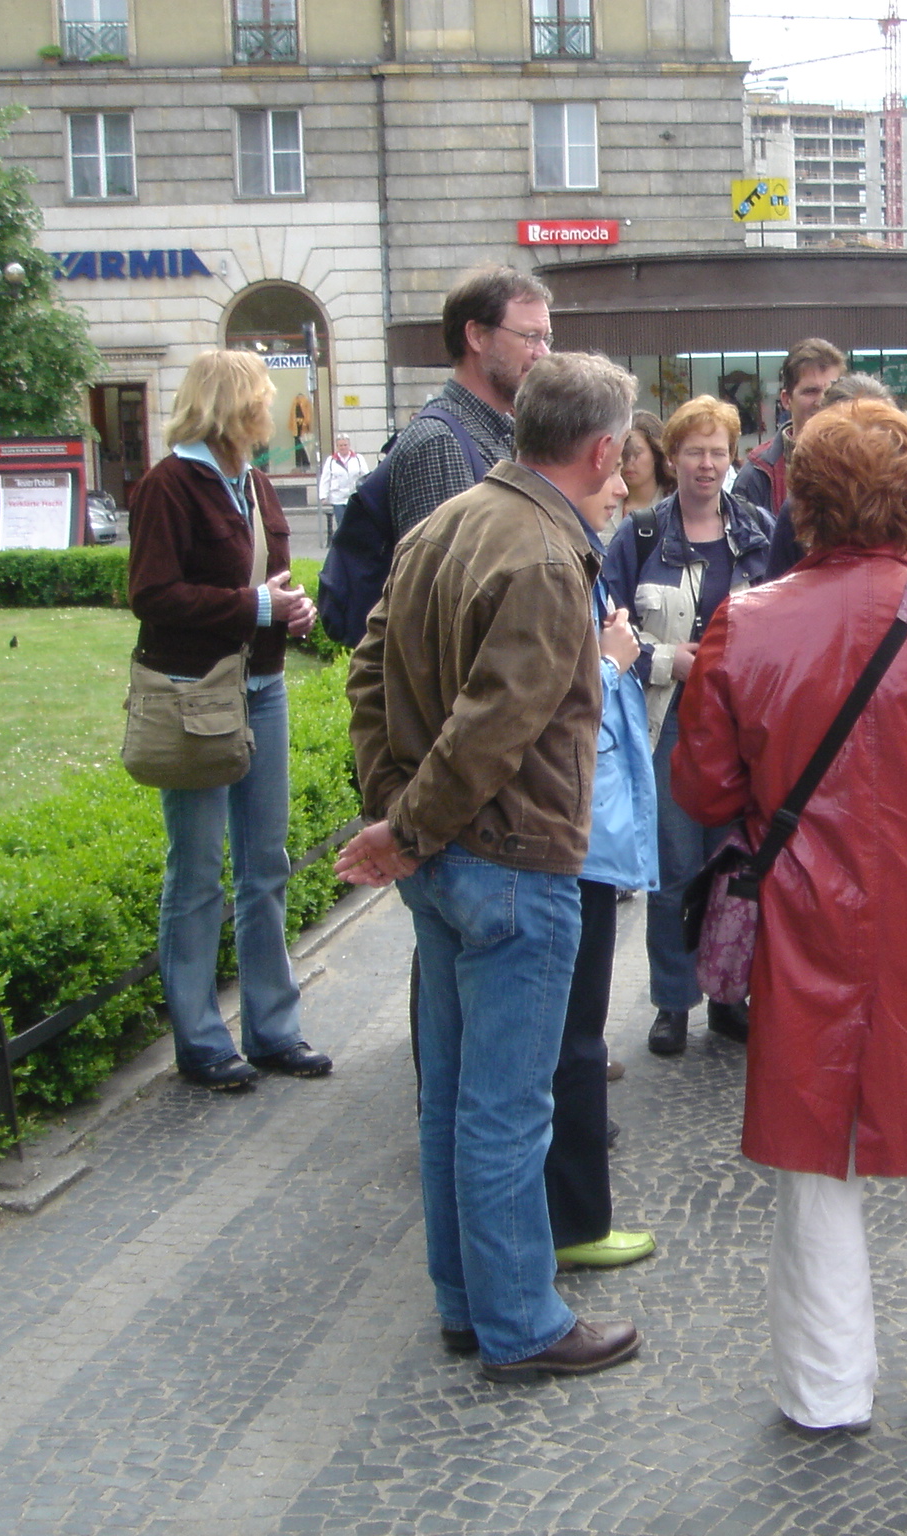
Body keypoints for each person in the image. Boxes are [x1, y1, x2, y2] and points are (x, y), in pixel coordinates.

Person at [671, 397, 907, 1433]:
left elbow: (703, 789)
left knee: (815, 1163)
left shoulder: (745, 623)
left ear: (799, 500)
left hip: (803, 920)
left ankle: (826, 1391)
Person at [339, 352, 642, 1382]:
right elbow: (491, 728)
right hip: (509, 862)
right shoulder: (547, 554)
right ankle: (519, 1323)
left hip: (448, 861)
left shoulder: (447, 522)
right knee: (505, 1110)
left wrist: (398, 816)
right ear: (600, 448)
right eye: (619, 456)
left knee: (456, 1102)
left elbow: (369, 667)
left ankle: (469, 1303)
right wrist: (405, 827)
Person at [127, 349, 332, 1093]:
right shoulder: (169, 485)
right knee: (196, 872)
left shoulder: (254, 481)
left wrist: (291, 609)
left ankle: (272, 1030)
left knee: (264, 865)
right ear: (232, 406)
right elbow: (153, 593)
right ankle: (201, 1041)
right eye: (261, 398)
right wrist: (256, 605)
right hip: (195, 694)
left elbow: (265, 583)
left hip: (263, 686)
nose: (270, 410)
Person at [598, 396, 773, 1057]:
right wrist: (670, 658)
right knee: (674, 866)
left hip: (741, 725)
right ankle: (673, 1001)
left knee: (734, 862)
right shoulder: (639, 535)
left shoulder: (759, 531)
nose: (707, 463)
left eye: (718, 452)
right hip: (667, 720)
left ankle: (730, 995)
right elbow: (605, 630)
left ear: (733, 458)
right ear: (672, 458)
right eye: (695, 451)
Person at [541, 455, 661, 1273]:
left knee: (572, 1034)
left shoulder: (558, 545)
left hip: (576, 832)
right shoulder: (551, 554)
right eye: (614, 467)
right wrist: (613, 659)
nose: (623, 487)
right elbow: (551, 703)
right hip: (569, 837)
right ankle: (576, 1222)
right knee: (574, 1037)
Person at [388, 264, 553, 536]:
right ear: (476, 336)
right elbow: (450, 562)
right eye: (531, 337)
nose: (543, 353)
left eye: (546, 338)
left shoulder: (497, 433)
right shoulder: (441, 443)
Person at [760, 375, 907, 584]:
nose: (866, 444)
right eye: (849, 435)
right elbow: (777, 593)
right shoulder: (800, 508)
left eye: (881, 430)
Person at [734, 337, 847, 515]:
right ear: (786, 400)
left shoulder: (861, 466)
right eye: (811, 391)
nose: (821, 401)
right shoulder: (756, 476)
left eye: (830, 392)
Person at [619, 414, 672, 516]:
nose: (629, 461)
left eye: (637, 453)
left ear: (655, 454)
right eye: (624, 453)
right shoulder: (603, 503)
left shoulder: (675, 506)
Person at [316, 433, 366, 539]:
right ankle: (345, 542)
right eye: (340, 445)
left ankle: (355, 542)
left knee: (354, 522)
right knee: (342, 522)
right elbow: (325, 479)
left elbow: (365, 476)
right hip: (338, 497)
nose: (343, 448)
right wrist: (323, 496)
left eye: (345, 445)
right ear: (337, 446)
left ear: (349, 445)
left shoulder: (358, 459)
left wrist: (366, 492)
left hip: (354, 496)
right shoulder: (331, 461)